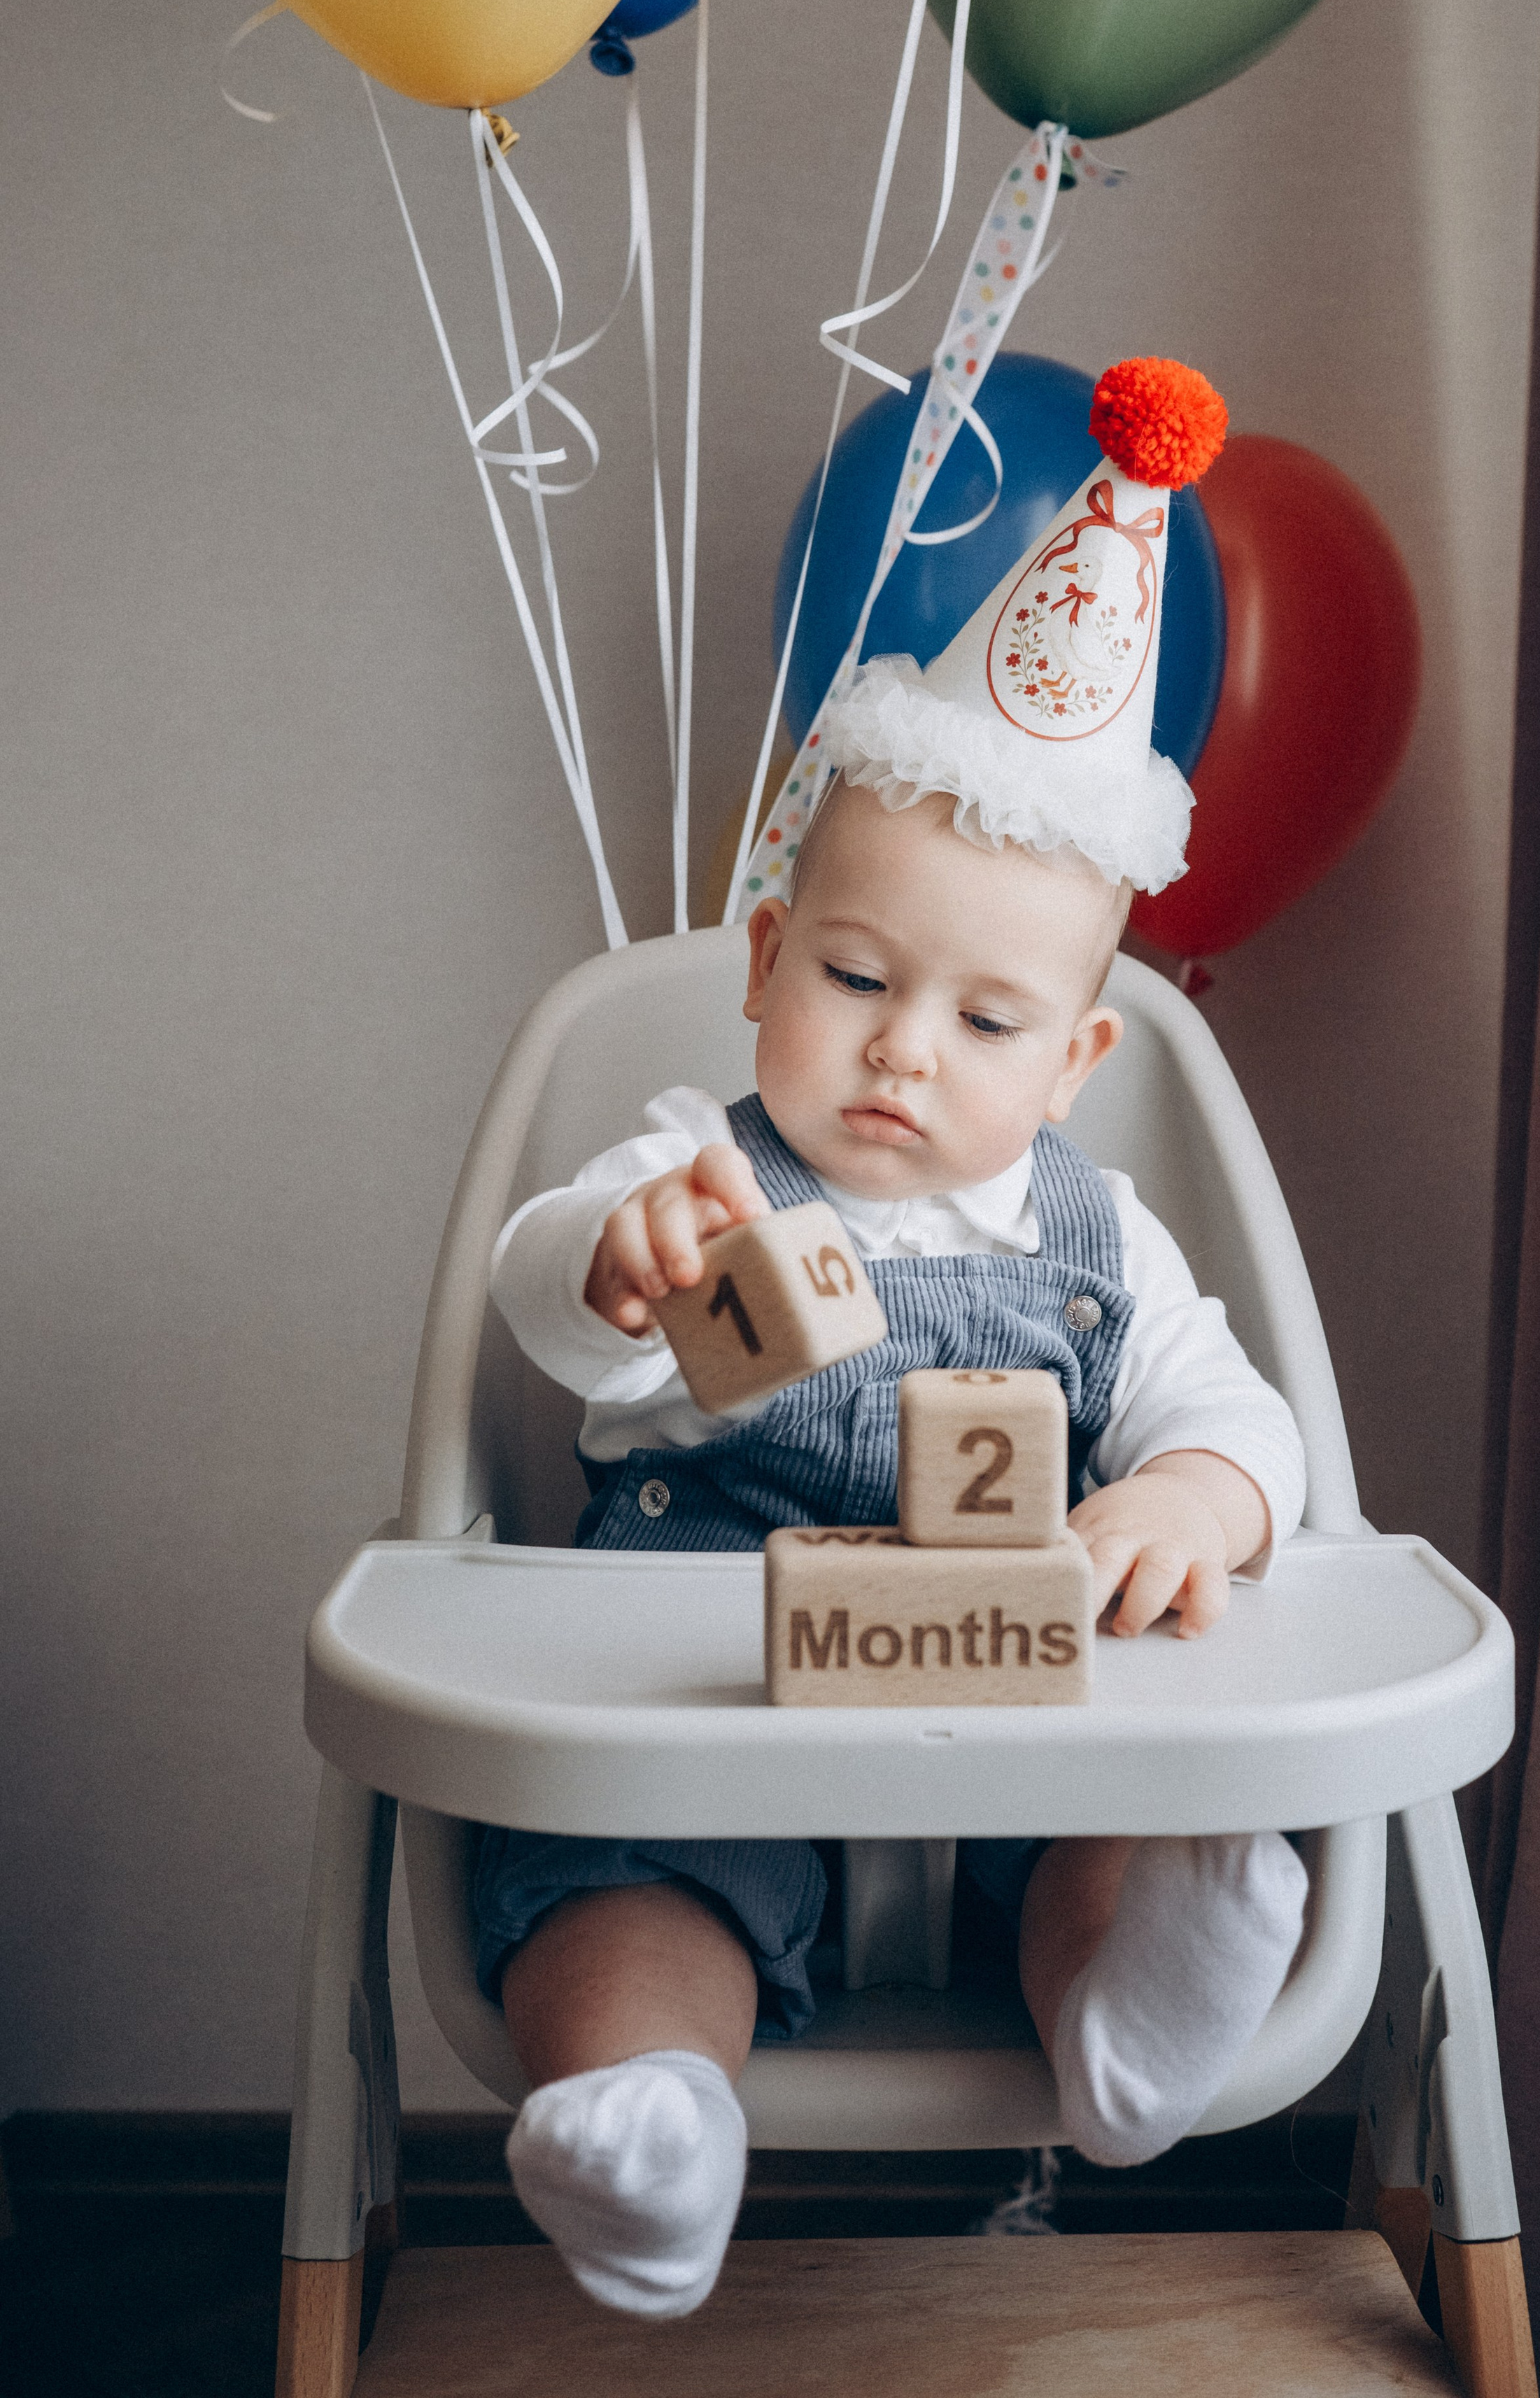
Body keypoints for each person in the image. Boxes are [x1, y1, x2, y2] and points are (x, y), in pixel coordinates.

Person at [480, 361, 1311, 2317]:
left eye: (988, 1022)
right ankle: (651, 2116)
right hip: (712, 1713)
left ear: (1077, 1061)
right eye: (855, 976)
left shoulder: (1102, 1242)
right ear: (769, 960)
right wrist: (618, 1263)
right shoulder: (702, 1171)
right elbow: (546, 1300)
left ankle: (1129, 2026)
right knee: (621, 1898)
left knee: (1097, 1844)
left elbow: (1244, 1420)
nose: (904, 1050)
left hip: (1010, 1713)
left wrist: (1192, 1498)